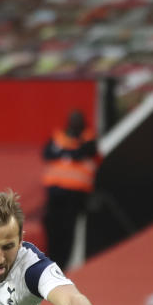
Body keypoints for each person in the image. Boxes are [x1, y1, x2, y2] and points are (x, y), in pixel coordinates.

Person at [41, 109, 98, 269]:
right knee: (52, 227)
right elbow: (47, 153)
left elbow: (83, 153)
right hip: (55, 191)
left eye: (78, 120)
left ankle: (63, 265)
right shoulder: (58, 136)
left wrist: (64, 152)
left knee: (68, 231)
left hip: (75, 194)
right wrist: (69, 153)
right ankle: (51, 262)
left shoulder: (89, 139)